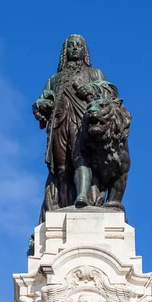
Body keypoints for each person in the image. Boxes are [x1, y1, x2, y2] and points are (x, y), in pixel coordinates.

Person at [33, 34, 118, 222]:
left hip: (83, 122)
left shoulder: (95, 74)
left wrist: (89, 91)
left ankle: (82, 197)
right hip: (59, 123)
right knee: (61, 168)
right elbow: (42, 100)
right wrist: (42, 102)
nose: (75, 48)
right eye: (70, 45)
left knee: (82, 158)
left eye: (79, 45)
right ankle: (63, 203)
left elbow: (107, 96)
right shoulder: (54, 79)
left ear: (84, 50)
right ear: (65, 51)